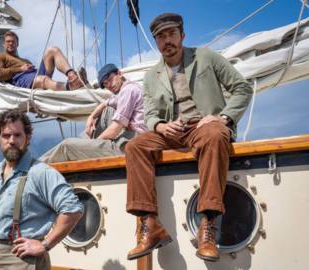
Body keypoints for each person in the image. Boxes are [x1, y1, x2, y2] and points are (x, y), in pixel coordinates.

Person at [125, 13, 252, 262]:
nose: (166, 41)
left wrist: (223, 118)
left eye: (171, 34)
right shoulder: (152, 76)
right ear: (156, 42)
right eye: (160, 37)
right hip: (173, 131)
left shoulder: (205, 57)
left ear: (182, 35)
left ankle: (208, 226)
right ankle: (150, 226)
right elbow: (150, 113)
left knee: (215, 135)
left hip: (206, 126)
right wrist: (160, 126)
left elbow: (242, 88)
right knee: (135, 146)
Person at [0, 109, 83, 270]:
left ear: (28, 138)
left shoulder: (40, 173)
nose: (11, 140)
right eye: (6, 136)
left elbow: (73, 209)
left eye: (17, 135)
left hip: (23, 259)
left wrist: (45, 245)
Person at [40, 63, 147, 163]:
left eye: (110, 79)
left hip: (130, 143)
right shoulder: (129, 89)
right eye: (105, 84)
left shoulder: (128, 91)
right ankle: (82, 140)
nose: (109, 85)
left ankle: (33, 170)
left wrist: (93, 144)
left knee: (66, 146)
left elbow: (114, 130)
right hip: (130, 139)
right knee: (106, 110)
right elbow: (106, 103)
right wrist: (91, 117)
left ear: (119, 74)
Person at [0, 31, 86, 91]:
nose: (11, 43)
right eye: (8, 41)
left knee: (53, 50)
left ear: (17, 44)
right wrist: (20, 69)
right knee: (42, 79)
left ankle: (72, 76)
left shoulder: (25, 60)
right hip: (20, 80)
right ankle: (70, 87)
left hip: (35, 75)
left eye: (13, 41)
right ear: (3, 44)